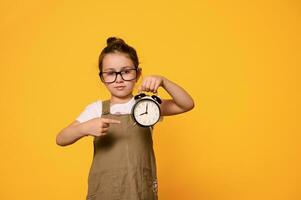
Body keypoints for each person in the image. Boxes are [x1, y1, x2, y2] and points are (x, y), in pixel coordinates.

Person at [56, 37, 194, 200]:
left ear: (138, 74)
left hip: (140, 190)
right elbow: (61, 138)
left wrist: (163, 81)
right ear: (102, 77)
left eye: (126, 71)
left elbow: (186, 104)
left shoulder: (146, 105)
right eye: (111, 73)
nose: (119, 79)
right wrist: (84, 128)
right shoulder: (96, 109)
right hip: (104, 192)